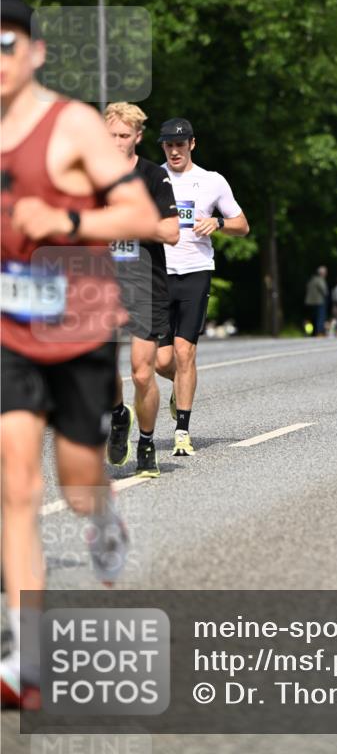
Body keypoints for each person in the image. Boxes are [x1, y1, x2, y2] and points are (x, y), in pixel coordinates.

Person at [0, 0, 159, 706]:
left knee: (73, 479)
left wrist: (65, 217)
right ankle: (26, 659)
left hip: (79, 325)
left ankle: (102, 517)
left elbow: (140, 217)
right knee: (15, 485)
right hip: (8, 329)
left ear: (34, 52)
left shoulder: (71, 127)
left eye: (8, 46)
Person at [155, 118, 249, 457]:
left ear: (192, 144)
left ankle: (182, 430)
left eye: (180, 144)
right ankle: (178, 388)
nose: (175, 150)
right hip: (158, 275)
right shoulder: (153, 177)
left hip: (195, 272)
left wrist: (219, 222)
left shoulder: (212, 181)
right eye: (169, 145)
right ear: (162, 146)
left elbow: (242, 225)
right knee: (160, 360)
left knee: (185, 353)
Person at [104, 103, 179, 476]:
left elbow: (171, 232)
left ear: (137, 136)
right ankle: (119, 416)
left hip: (144, 284)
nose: (116, 143)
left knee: (141, 373)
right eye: (111, 135)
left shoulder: (153, 177)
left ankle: (147, 444)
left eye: (123, 136)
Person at [304, 266, 328, 337]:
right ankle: (319, 332)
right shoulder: (320, 280)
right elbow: (324, 290)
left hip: (309, 302)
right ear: (322, 273)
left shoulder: (311, 279)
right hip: (319, 302)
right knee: (320, 318)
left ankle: (309, 332)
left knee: (311, 318)